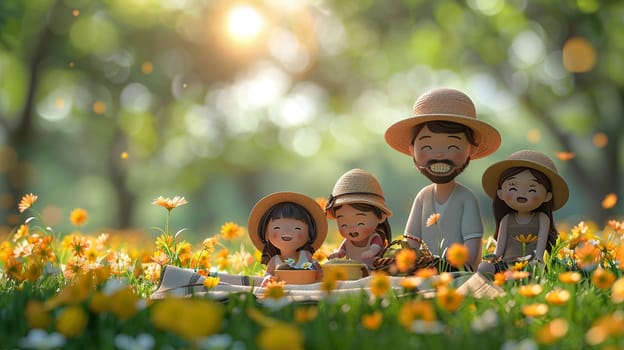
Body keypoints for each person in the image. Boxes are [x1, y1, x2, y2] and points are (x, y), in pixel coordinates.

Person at [384, 87, 501, 271]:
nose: (438, 154)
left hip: (457, 270)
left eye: (453, 146)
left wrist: (462, 265)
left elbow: (473, 243)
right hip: (424, 270)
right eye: (427, 147)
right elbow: (411, 241)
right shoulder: (423, 197)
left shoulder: (466, 198)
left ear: (471, 149)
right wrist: (406, 263)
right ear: (411, 149)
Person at [477, 150, 569, 275]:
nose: (522, 194)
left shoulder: (542, 218)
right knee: (483, 268)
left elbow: (541, 243)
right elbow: (499, 249)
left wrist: (539, 260)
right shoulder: (506, 219)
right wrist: (493, 257)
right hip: (506, 265)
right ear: (501, 194)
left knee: (527, 273)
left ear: (547, 196)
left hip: (530, 265)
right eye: (513, 188)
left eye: (532, 189)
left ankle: (517, 277)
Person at [247, 191, 328, 285]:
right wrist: (268, 278)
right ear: (266, 234)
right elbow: (268, 274)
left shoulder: (305, 256)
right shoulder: (274, 260)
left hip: (306, 289)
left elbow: (316, 269)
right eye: (277, 228)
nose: (287, 232)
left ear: (309, 235)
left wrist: (319, 272)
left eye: (297, 228)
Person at [325, 168, 393, 269]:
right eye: (344, 225)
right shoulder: (347, 241)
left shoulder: (375, 238)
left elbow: (376, 248)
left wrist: (371, 252)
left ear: (381, 216)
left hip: (373, 270)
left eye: (360, 224)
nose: (352, 228)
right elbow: (342, 251)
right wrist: (337, 254)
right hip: (353, 271)